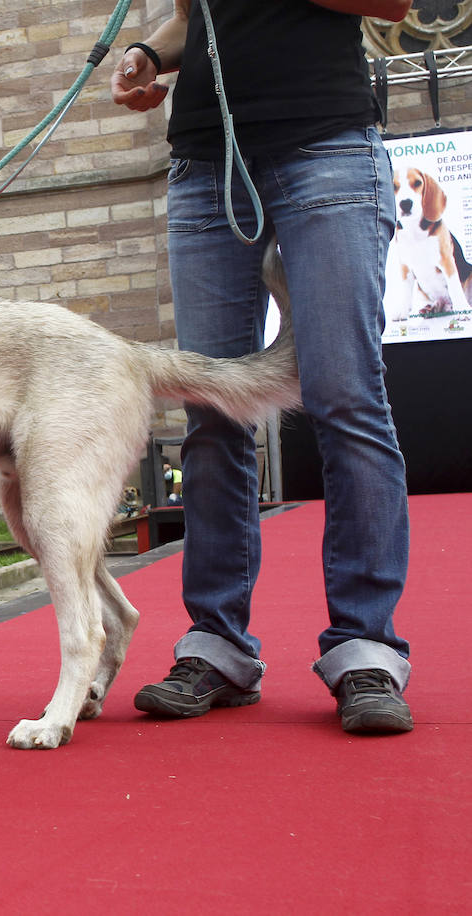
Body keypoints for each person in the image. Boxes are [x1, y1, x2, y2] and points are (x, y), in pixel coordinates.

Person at [111, 0, 415, 733]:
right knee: (211, 411)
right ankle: (216, 644)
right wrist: (153, 55)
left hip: (327, 147)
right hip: (203, 165)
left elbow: (394, 4)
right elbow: (199, 17)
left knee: (346, 397)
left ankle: (366, 647)